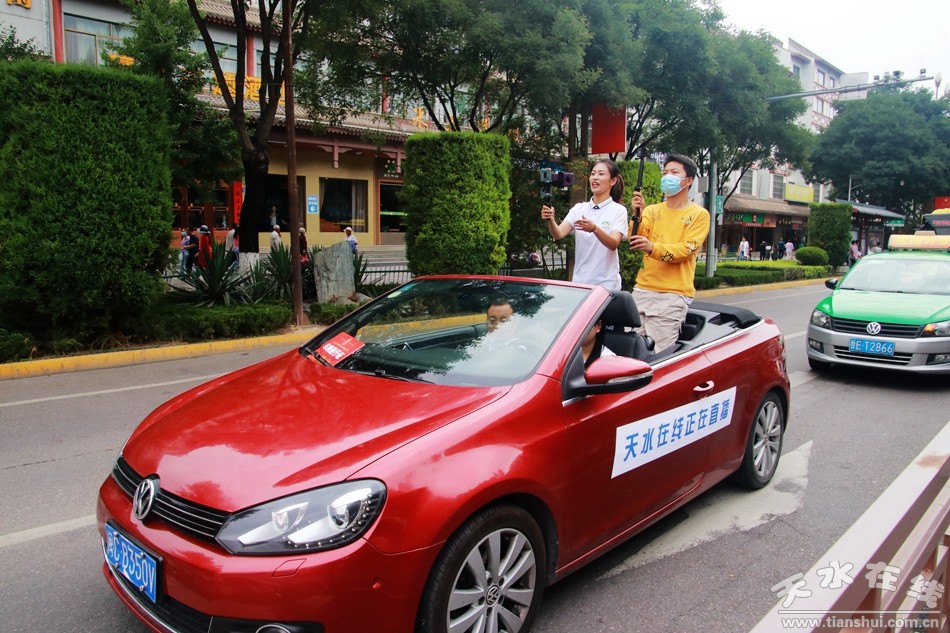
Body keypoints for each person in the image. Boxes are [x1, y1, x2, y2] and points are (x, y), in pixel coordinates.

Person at [629, 153, 711, 353]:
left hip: (672, 294)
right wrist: (637, 214)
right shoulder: (651, 211)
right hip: (641, 289)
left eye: (674, 172)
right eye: (665, 173)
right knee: (629, 352)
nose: (667, 177)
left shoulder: (699, 215)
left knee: (658, 355)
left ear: (688, 181)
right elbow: (635, 237)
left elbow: (685, 250)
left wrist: (652, 247)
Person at [540, 159, 628, 292]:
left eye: (601, 174)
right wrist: (551, 219)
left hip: (606, 285)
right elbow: (558, 234)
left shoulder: (618, 210)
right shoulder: (579, 209)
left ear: (613, 181)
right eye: (593, 174)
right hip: (580, 282)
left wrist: (595, 229)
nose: (595, 177)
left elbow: (613, 243)